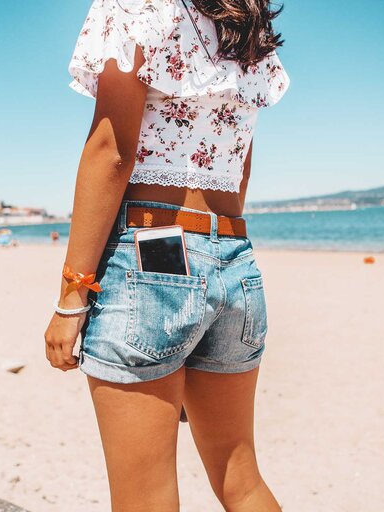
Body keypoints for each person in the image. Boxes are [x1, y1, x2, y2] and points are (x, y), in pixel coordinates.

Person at [44, 1, 290, 510]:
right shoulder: (246, 26)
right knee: (241, 480)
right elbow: (239, 173)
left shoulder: (135, 7)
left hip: (152, 252)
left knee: (145, 498)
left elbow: (112, 152)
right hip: (234, 257)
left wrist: (72, 296)